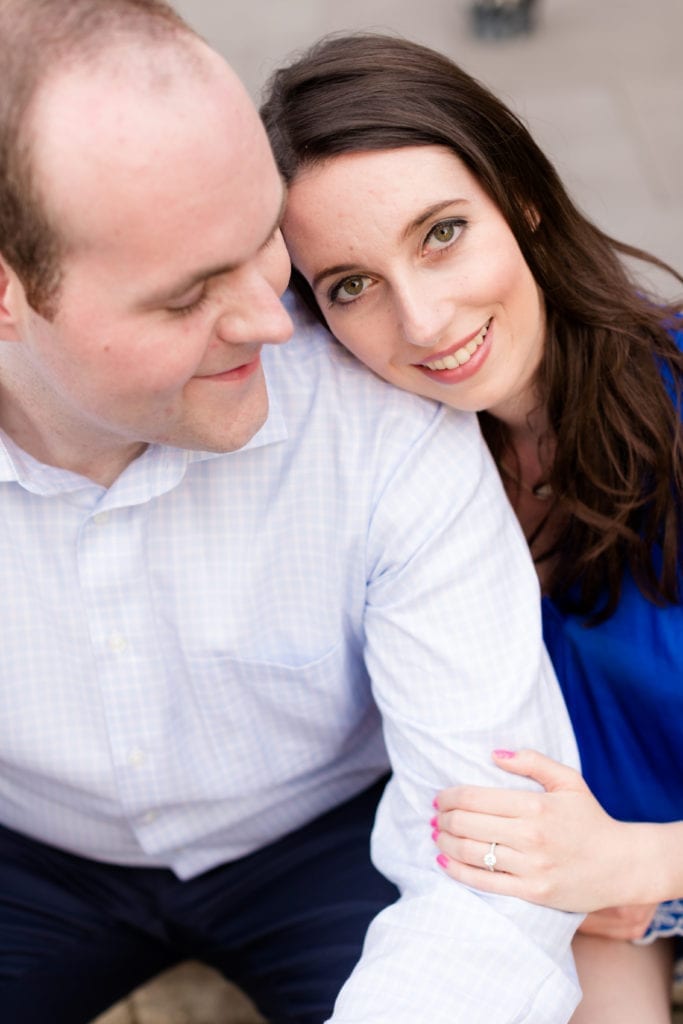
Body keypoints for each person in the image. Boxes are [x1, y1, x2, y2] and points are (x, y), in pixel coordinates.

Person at [0, 3, 583, 1023]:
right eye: (188, 296)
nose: (277, 319)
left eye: (262, 236)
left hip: (326, 844)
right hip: (28, 856)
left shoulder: (386, 422)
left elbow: (489, 869)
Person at [259, 31, 683, 1024]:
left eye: (440, 232)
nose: (423, 321)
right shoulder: (393, 469)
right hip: (579, 903)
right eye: (350, 286)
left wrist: (645, 858)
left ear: (519, 198)